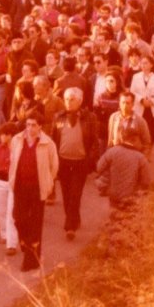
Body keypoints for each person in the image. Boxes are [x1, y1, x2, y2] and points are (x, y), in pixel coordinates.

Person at [8, 115, 59, 272]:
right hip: (20, 186)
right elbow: (13, 159)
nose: (30, 128)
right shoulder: (17, 139)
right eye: (28, 125)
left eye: (33, 125)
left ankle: (31, 260)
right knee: (18, 217)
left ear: (40, 127)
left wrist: (48, 183)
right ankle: (26, 244)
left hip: (38, 188)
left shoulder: (47, 143)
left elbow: (54, 165)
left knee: (35, 223)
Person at [51, 88, 101, 242]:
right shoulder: (58, 117)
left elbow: (94, 142)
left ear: (80, 101)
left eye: (72, 99)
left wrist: (90, 160)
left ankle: (69, 226)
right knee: (66, 194)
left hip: (80, 162)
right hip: (63, 161)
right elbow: (53, 140)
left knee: (75, 193)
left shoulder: (89, 118)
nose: (68, 102)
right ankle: (74, 218)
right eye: (66, 99)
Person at [96, 125, 152, 210]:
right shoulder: (140, 157)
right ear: (134, 139)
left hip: (114, 196)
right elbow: (146, 181)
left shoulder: (112, 152)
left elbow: (99, 167)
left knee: (114, 218)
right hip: (131, 199)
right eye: (139, 140)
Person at [0, 122, 20, 256]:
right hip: (0, 182)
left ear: (10, 136)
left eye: (3, 134)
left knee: (10, 213)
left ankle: (11, 243)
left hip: (12, 183)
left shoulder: (17, 149)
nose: (1, 137)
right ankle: (4, 234)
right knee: (1, 211)